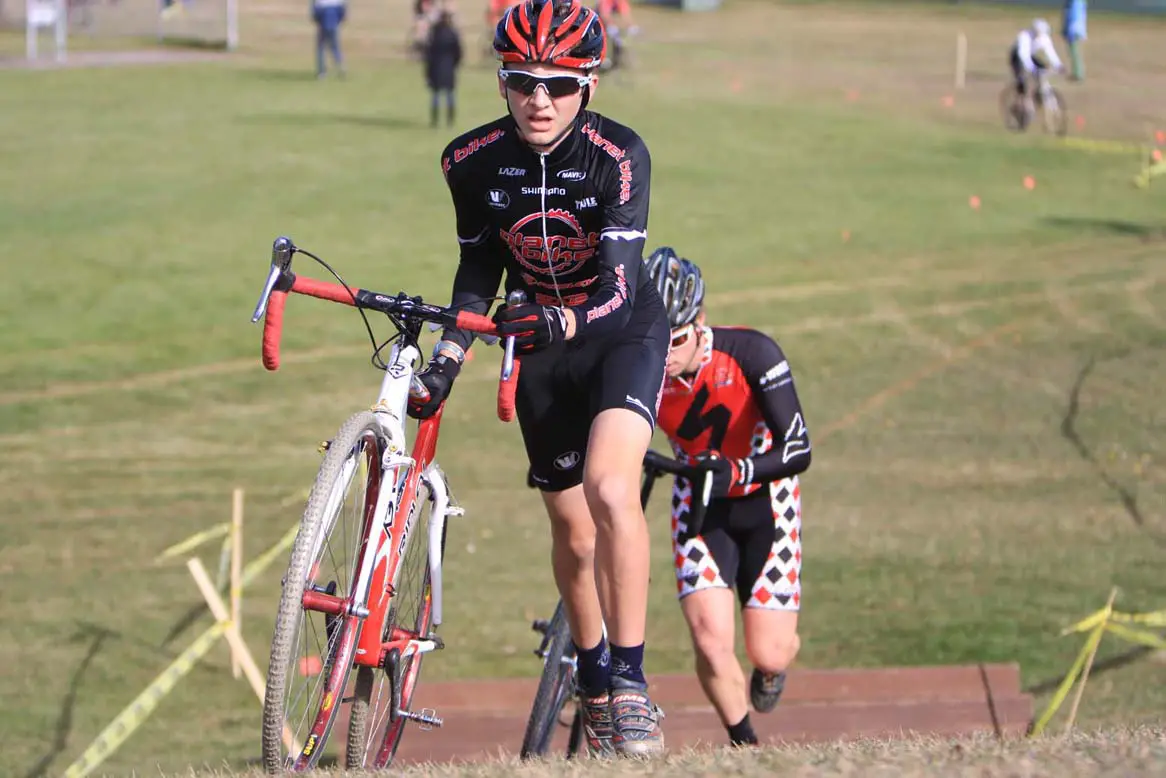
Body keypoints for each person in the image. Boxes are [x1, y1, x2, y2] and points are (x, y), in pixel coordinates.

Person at [409, 0, 667, 759]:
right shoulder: (468, 160)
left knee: (612, 489)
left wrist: (563, 322)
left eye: (558, 83)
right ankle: (591, 679)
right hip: (537, 345)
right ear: (501, 82)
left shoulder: (619, 156)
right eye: (523, 81)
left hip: (620, 334)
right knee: (573, 533)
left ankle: (631, 681)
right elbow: (477, 267)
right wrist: (453, 352)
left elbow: (619, 287)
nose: (539, 100)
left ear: (589, 83)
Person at [645, 247, 812, 748]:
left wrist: (738, 468)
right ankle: (745, 744)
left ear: (700, 323)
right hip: (699, 504)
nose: (665, 355)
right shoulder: (644, 368)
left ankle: (772, 667)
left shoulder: (753, 353)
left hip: (767, 501)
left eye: (675, 341)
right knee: (711, 641)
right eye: (656, 342)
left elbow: (798, 448)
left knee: (769, 653)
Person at [1009, 18, 1064, 121]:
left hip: (1031, 56)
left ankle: (1043, 96)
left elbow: (1050, 52)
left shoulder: (1044, 38)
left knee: (1043, 72)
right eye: (1038, 33)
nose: (1040, 36)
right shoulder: (1024, 36)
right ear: (1034, 31)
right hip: (1017, 57)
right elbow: (1023, 55)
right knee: (1023, 82)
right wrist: (1031, 68)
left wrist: (1058, 65)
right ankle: (1022, 105)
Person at [424, 10, 463, 127]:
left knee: (435, 96)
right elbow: (459, 52)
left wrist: (428, 70)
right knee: (450, 96)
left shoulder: (434, 34)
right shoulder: (453, 34)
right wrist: (454, 64)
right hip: (449, 68)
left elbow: (428, 53)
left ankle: (435, 121)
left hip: (436, 68)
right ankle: (450, 121)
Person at [311, 0, 347, 79]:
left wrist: (318, 21)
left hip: (323, 25)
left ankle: (322, 72)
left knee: (321, 48)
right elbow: (343, 12)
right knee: (335, 47)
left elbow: (315, 13)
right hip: (334, 24)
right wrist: (337, 21)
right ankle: (341, 67)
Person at [1061, 0, 1087, 82]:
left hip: (1074, 30)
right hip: (1076, 29)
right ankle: (1077, 73)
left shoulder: (1075, 2)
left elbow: (1073, 16)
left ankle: (1078, 74)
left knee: (1074, 52)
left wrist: (1068, 30)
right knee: (1074, 52)